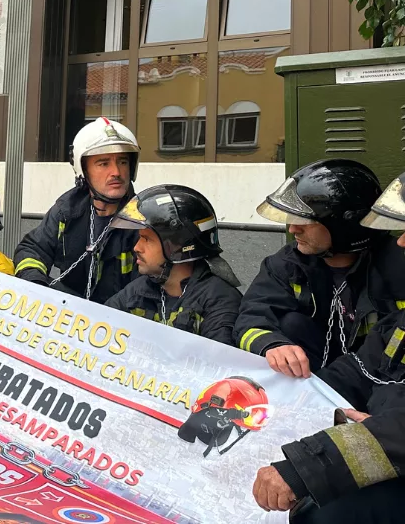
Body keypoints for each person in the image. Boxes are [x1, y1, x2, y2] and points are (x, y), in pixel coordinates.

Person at [251, 171, 405, 522]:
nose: (400, 243)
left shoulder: (393, 272)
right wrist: (288, 406)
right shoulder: (286, 263)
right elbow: (362, 367)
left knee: (325, 513)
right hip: (381, 432)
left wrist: (306, 466)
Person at [234, 159, 405, 378]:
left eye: (305, 222)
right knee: (291, 323)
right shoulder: (287, 264)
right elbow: (252, 316)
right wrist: (272, 344)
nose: (293, 229)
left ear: (344, 226)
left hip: (378, 382)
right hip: (308, 381)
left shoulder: (397, 267)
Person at [13, 117, 140, 303]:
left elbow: (147, 286)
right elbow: (32, 249)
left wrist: (100, 313)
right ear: (83, 171)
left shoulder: (142, 220)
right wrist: (36, 285)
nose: (116, 172)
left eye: (122, 162)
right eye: (104, 163)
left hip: (119, 324)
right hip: (69, 320)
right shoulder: (67, 210)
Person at [105, 185, 241, 345]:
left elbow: (220, 362)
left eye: (147, 239)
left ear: (178, 245)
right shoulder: (138, 292)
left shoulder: (220, 300)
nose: (136, 247)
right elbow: (100, 328)